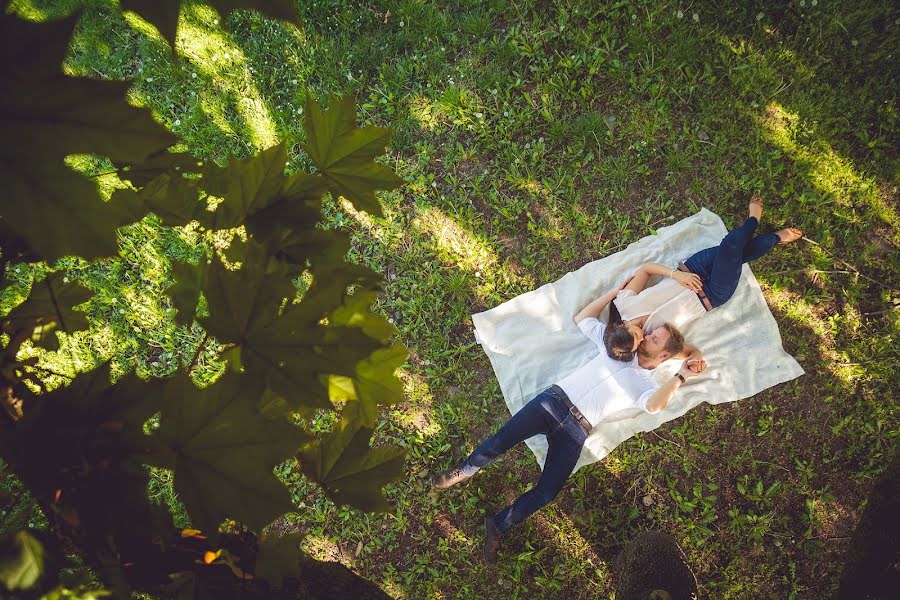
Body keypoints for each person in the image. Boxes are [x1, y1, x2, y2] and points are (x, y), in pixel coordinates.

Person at [431, 282, 706, 565]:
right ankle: (464, 470)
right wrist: (614, 292)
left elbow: (655, 405)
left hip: (577, 431)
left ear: (664, 357)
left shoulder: (649, 385)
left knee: (548, 491)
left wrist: (682, 373)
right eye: (649, 333)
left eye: (654, 339)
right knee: (502, 439)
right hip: (553, 401)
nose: (646, 337)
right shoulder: (619, 347)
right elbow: (583, 318)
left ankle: (498, 525)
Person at [604, 195, 803, 361]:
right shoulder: (648, 346)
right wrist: (688, 364)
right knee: (732, 248)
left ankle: (773, 236)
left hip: (691, 270)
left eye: (636, 336)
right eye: (638, 344)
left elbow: (646, 269)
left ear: (621, 325)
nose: (642, 339)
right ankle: (755, 221)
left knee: (735, 251)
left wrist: (676, 275)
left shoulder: (623, 303)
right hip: (712, 293)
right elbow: (676, 354)